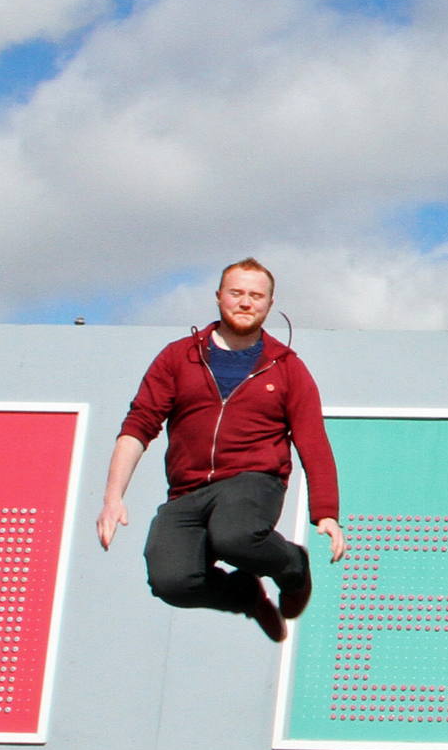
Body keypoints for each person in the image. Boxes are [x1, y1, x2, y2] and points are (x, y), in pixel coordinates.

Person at [98, 258, 343, 644]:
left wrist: (326, 513)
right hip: (187, 489)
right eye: (237, 293)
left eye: (256, 296)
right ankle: (246, 596)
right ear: (219, 297)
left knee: (236, 536)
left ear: (268, 303)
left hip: (253, 480)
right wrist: (114, 498)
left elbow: (313, 442)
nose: (246, 302)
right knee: (170, 581)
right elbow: (138, 425)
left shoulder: (287, 369)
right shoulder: (179, 357)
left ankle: (293, 567)